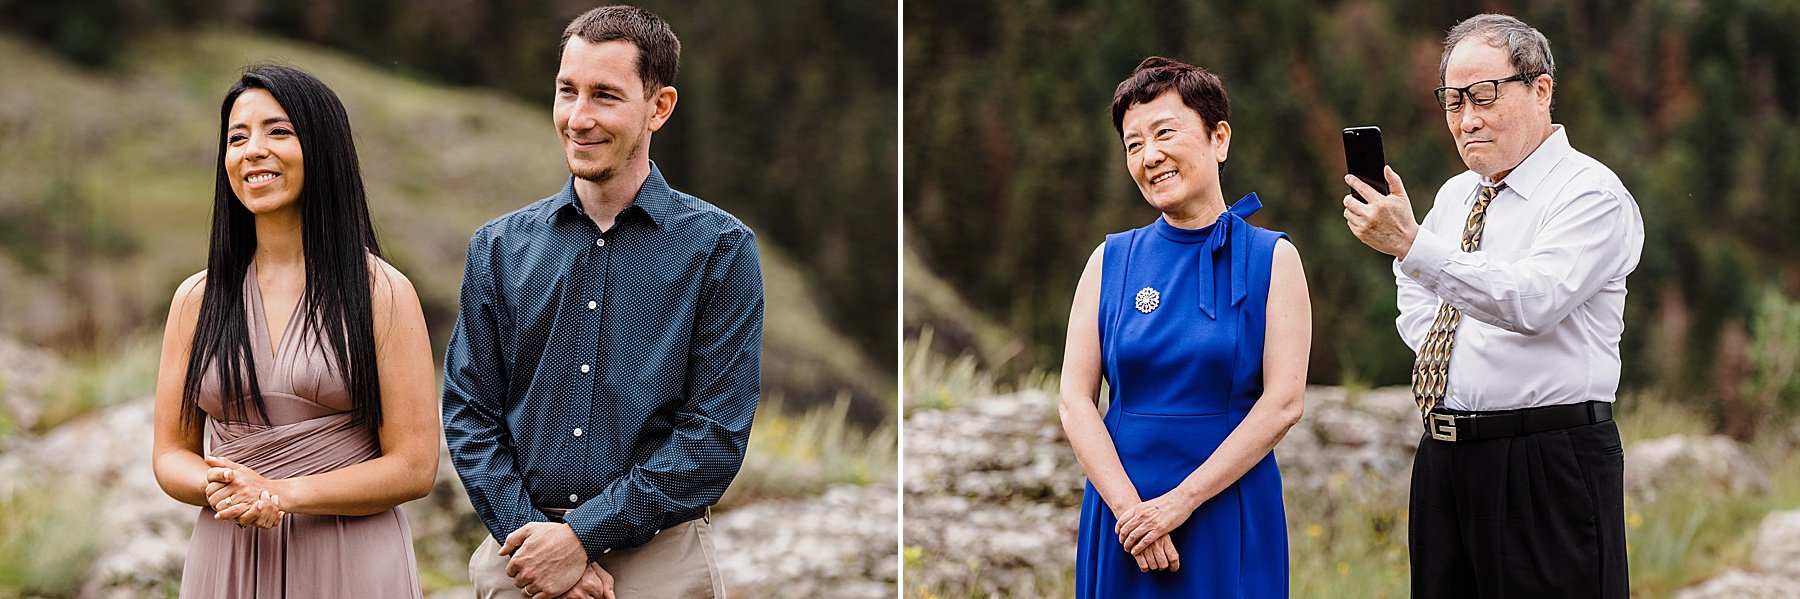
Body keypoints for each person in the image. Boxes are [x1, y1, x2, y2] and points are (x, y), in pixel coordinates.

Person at [441, 5, 763, 599]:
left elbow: (715, 436)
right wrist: (536, 541)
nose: (578, 117)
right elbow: (469, 414)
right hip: (522, 561)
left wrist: (583, 537)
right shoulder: (498, 246)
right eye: (568, 91)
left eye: (605, 96)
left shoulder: (720, 247)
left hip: (660, 562)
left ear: (658, 107)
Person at [1340, 13, 1642, 598]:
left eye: (1483, 96)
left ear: (1542, 89)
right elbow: (1419, 301)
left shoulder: (1590, 192)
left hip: (1547, 457)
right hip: (1446, 455)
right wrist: (1462, 343)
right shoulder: (1457, 194)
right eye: (1453, 102)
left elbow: (1534, 299)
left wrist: (1412, 244)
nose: (1467, 120)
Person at [149, 64, 440, 598]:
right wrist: (220, 488)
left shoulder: (383, 292)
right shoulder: (197, 299)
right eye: (237, 138)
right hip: (228, 553)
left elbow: (414, 466)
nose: (252, 150)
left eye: (277, 131)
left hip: (347, 558)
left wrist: (282, 494)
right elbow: (170, 453)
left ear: (322, 148)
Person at [1059, 56, 1311, 598]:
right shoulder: (1110, 260)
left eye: (1164, 133)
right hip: (1124, 515)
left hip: (1226, 509)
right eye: (1133, 144)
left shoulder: (1274, 259)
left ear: (1219, 138)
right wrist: (1135, 515)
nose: (1150, 156)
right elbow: (1074, 401)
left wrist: (1180, 502)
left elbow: (1284, 402)